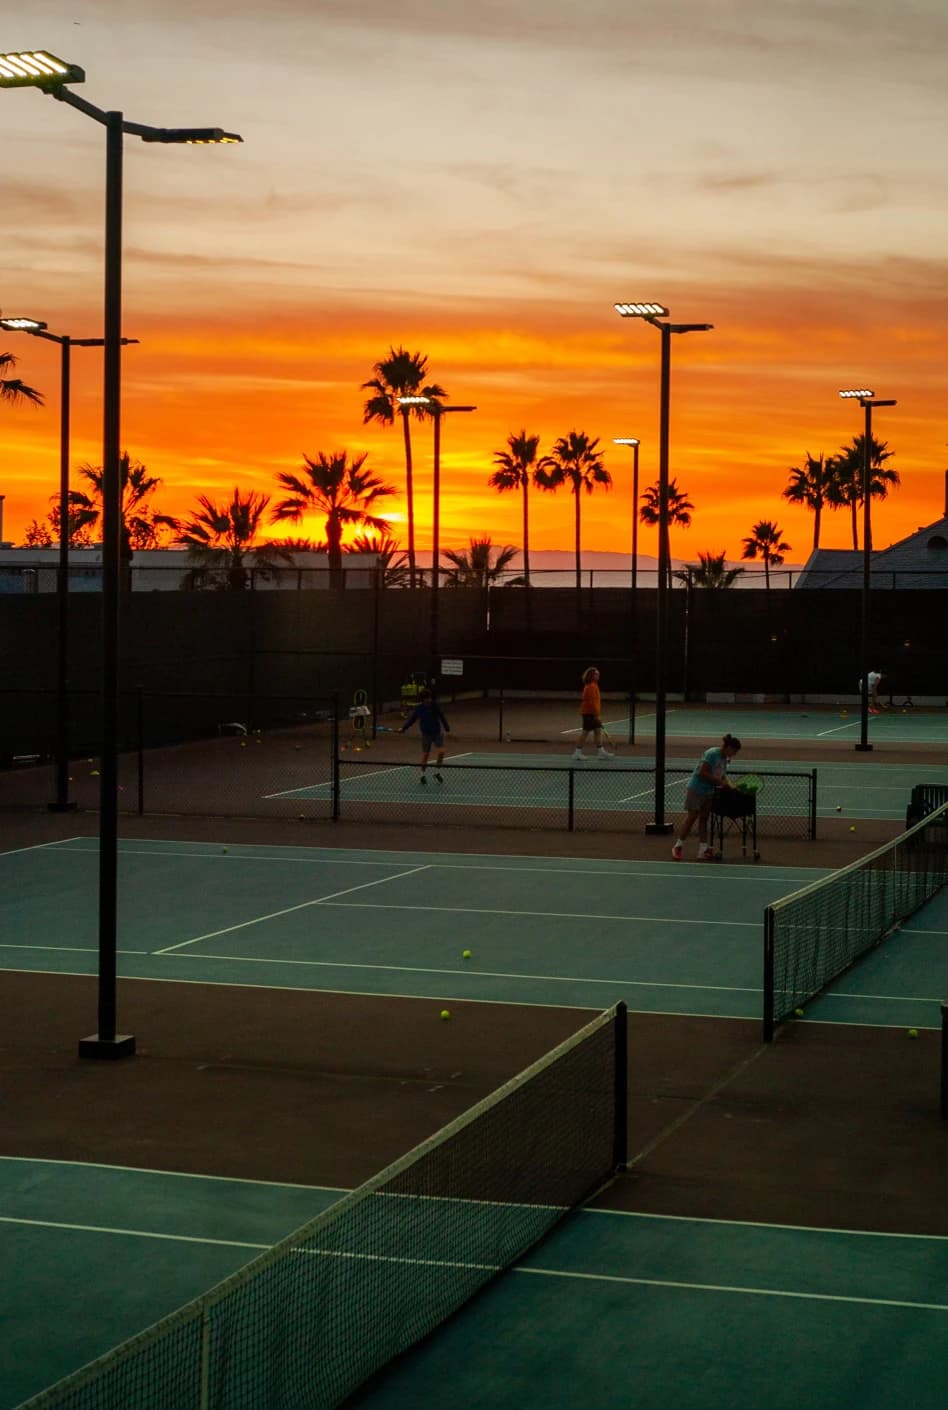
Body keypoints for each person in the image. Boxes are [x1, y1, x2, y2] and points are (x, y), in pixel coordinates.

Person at [672, 733, 742, 861]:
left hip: (709, 792)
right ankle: (678, 846)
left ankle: (702, 850)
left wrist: (731, 785)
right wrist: (719, 782)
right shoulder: (712, 754)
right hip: (696, 789)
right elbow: (702, 772)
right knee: (691, 817)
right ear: (729, 748)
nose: (735, 754)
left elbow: (722, 775)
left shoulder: (724, 759)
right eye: (734, 751)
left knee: (704, 819)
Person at [400, 690, 450, 784]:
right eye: (427, 698)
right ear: (423, 699)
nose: (429, 699)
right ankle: (422, 775)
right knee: (425, 755)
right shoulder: (419, 709)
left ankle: (437, 773)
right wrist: (403, 728)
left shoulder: (435, 706)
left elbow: (442, 716)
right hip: (426, 735)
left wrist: (447, 727)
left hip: (436, 733)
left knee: (441, 752)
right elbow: (412, 720)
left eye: (430, 697)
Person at [572, 666, 613, 761]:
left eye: (598, 674)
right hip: (589, 714)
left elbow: (595, 702)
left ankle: (601, 752)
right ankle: (577, 753)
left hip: (593, 713)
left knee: (598, 732)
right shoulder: (590, 687)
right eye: (596, 674)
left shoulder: (594, 685)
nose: (598, 675)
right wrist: (596, 715)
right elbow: (591, 703)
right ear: (591, 676)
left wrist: (597, 714)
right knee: (585, 733)